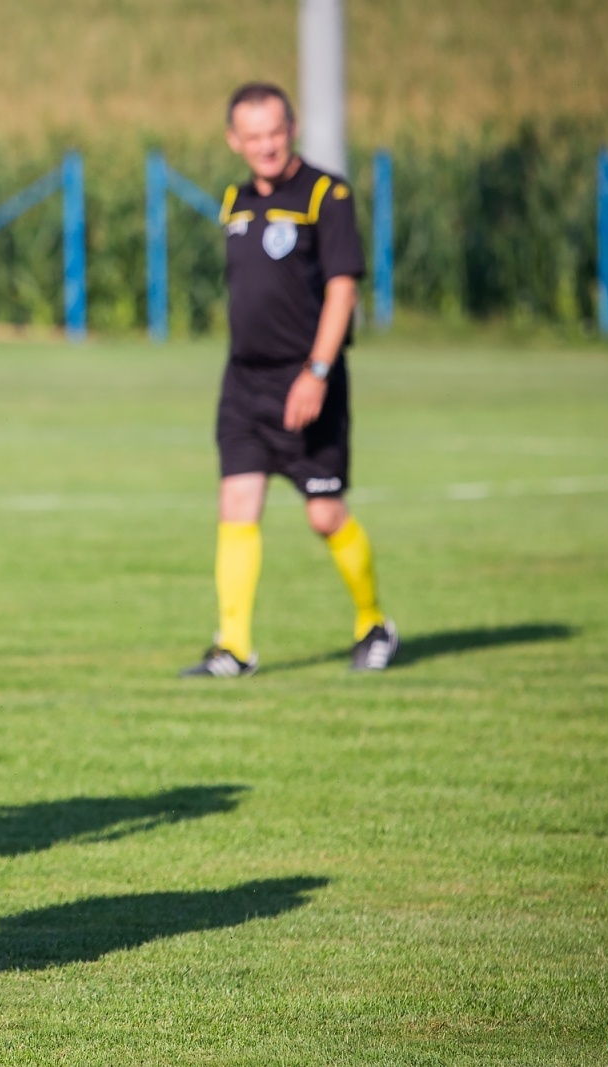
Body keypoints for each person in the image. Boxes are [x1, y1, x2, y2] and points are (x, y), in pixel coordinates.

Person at [182, 82, 398, 678]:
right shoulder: (235, 200)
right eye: (252, 136)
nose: (266, 145)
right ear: (234, 140)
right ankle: (234, 648)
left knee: (324, 513)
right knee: (237, 503)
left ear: (292, 128)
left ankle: (374, 623)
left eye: (275, 132)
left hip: (307, 380)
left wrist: (317, 372)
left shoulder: (327, 194)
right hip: (244, 383)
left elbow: (342, 289)